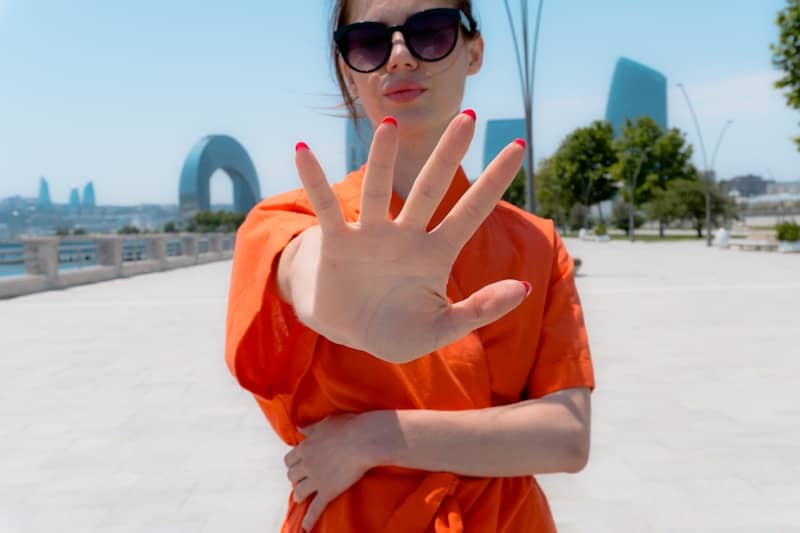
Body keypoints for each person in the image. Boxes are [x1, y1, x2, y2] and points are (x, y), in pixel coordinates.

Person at [225, 1, 595, 531]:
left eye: (431, 31)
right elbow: (301, 266)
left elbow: (566, 437)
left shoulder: (536, 242)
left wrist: (376, 438)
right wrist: (330, 293)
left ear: (474, 51)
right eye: (368, 42)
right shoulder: (290, 222)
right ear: (349, 73)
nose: (399, 56)